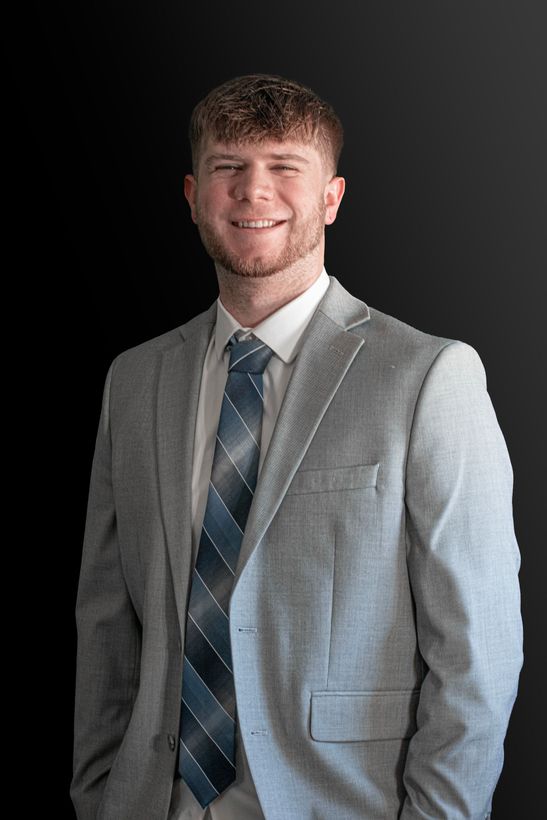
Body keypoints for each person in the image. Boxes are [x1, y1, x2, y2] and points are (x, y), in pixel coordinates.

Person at [70, 73, 523, 820]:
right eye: (228, 169)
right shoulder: (136, 380)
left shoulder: (428, 377)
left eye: (284, 168)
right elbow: (106, 621)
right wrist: (95, 797)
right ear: (191, 194)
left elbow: (478, 650)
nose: (254, 193)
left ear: (331, 199)